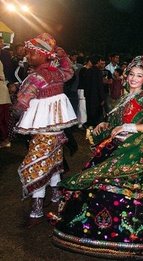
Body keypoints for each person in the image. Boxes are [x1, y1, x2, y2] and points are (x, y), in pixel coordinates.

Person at [50, 56, 143, 259]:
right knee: (95, 188)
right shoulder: (127, 96)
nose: (134, 78)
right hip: (115, 147)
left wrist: (128, 127)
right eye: (132, 74)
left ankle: (123, 240)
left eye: (139, 75)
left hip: (131, 152)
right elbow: (119, 121)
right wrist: (106, 126)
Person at [13, 33, 76, 221]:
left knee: (37, 163)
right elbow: (70, 71)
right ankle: (56, 195)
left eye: (33, 53)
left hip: (42, 128)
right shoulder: (57, 73)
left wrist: (15, 111)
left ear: (44, 55)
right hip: (57, 127)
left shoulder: (37, 77)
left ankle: (37, 205)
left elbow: (23, 100)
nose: (28, 57)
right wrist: (63, 57)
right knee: (55, 159)